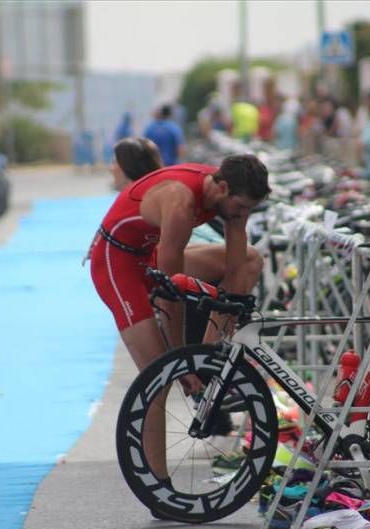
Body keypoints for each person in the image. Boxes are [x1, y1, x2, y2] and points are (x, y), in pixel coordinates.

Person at [89, 154, 269, 484]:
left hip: (150, 256)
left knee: (250, 260)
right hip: (118, 265)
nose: (243, 216)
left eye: (249, 210)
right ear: (223, 187)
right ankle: (158, 484)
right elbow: (170, 297)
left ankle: (208, 357)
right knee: (160, 375)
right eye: (241, 208)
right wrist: (181, 360)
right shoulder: (181, 203)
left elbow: (236, 267)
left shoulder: (228, 197)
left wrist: (207, 351)